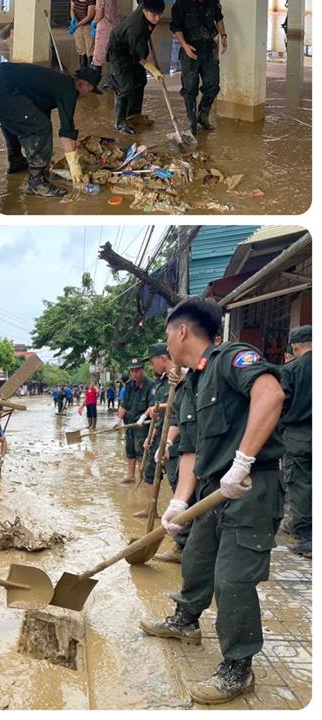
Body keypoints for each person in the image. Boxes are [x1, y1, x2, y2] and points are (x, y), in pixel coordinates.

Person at [140, 297, 285, 705]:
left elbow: (270, 395)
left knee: (233, 579)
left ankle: (238, 668)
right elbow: (189, 450)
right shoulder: (190, 382)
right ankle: (187, 620)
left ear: (181, 330)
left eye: (167, 332)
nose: (165, 341)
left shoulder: (231, 358)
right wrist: (180, 501)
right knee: (198, 559)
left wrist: (244, 460)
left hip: (249, 489)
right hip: (211, 491)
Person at [0, 60, 102, 198]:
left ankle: (16, 160)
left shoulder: (58, 82)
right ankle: (36, 182)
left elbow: (41, 111)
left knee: (20, 119)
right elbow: (66, 130)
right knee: (41, 128)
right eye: (90, 90)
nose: (87, 95)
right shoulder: (69, 90)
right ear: (83, 84)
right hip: (3, 91)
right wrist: (74, 165)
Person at [170, 0, 227, 135]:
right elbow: (176, 27)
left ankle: (203, 115)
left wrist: (223, 35)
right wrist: (185, 46)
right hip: (191, 50)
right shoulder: (182, 1)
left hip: (209, 48)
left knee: (212, 85)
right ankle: (192, 122)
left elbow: (219, 18)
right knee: (190, 89)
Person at [106, 0, 165, 134]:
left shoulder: (144, 5)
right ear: (144, 11)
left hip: (132, 48)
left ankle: (134, 116)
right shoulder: (135, 28)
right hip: (119, 53)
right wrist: (153, 69)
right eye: (154, 15)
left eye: (160, 14)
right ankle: (119, 123)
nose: (157, 18)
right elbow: (138, 56)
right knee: (126, 86)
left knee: (140, 81)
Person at [157, 359, 196, 564]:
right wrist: (167, 442)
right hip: (186, 453)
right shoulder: (179, 385)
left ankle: (185, 547)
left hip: (213, 466)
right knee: (183, 496)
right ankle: (183, 547)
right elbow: (177, 419)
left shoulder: (206, 377)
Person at [279, 325, 311, 557]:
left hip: (298, 435)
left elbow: (281, 404)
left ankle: (308, 537)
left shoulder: (291, 370)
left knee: (299, 483)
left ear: (295, 346)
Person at [138, 343, 174, 515]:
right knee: (150, 472)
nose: (152, 367)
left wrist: (160, 407)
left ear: (163, 358)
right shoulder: (161, 383)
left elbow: (180, 404)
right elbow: (156, 414)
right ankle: (151, 509)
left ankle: (181, 517)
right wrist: (149, 437)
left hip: (175, 437)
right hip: (159, 433)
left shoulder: (179, 377)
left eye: (153, 362)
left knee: (176, 476)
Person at [118, 358, 156, 484]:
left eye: (137, 370)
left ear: (143, 370)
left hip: (142, 425)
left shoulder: (151, 385)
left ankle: (142, 477)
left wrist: (144, 416)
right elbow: (124, 405)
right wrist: (118, 419)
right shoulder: (129, 385)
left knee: (140, 451)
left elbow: (152, 406)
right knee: (130, 450)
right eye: (132, 371)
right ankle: (131, 475)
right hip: (129, 423)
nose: (135, 373)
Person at [91, 0, 121, 70]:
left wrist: (93, 22)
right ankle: (113, 74)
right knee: (113, 50)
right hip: (116, 26)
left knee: (99, 52)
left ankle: (96, 74)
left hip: (104, 28)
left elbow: (99, 14)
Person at [69, 0, 96, 68]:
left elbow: (90, 15)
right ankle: (82, 68)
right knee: (80, 45)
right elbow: (72, 9)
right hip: (77, 24)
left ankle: (90, 68)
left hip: (88, 25)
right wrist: (73, 18)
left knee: (89, 46)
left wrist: (77, 25)